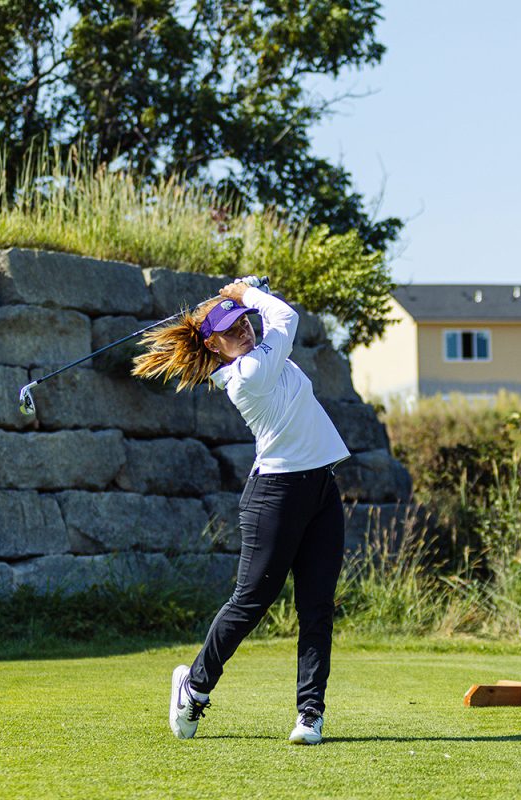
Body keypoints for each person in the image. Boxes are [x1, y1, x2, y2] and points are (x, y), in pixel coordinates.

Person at [131, 277, 350, 745]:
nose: (245, 331)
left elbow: (273, 321)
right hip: (276, 497)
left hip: (320, 490)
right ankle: (194, 686)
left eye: (245, 324)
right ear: (214, 343)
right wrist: (244, 293)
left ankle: (310, 714)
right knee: (250, 604)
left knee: (317, 608)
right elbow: (285, 318)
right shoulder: (247, 375)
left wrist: (245, 295)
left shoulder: (254, 359)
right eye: (232, 330)